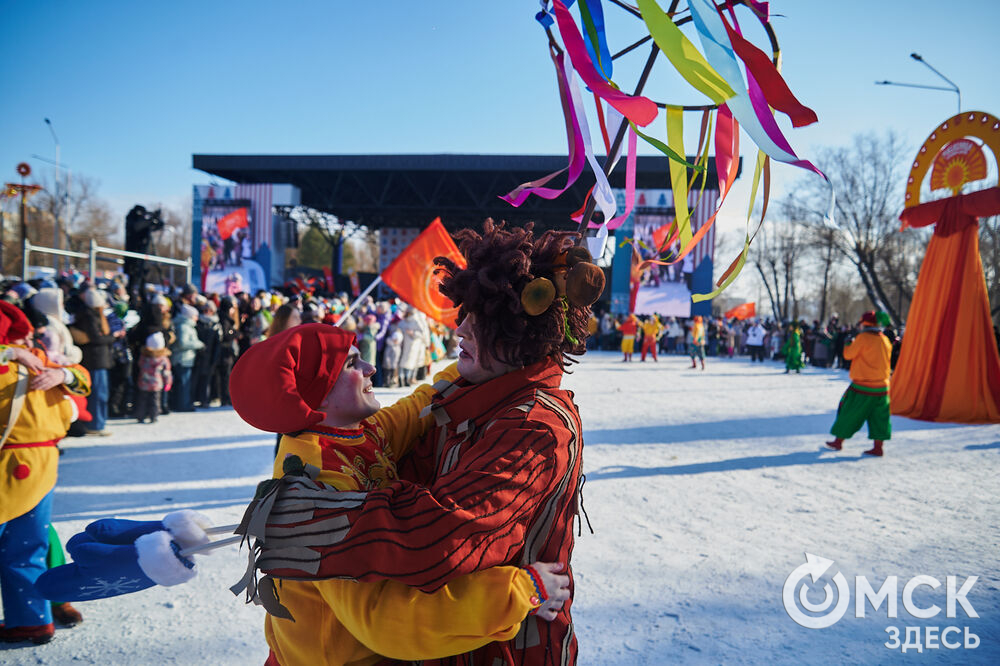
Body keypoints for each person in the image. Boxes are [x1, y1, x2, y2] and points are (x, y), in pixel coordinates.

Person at [246, 220, 600, 665]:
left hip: (503, 649)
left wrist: (317, 523)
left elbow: (442, 532)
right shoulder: (322, 460)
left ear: (522, 336)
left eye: (483, 320)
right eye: (465, 312)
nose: (461, 329)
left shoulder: (534, 426)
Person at [229, 323, 571, 665]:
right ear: (315, 395)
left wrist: (477, 362)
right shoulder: (319, 479)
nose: (370, 369)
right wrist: (519, 591)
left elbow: (419, 405)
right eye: (352, 364)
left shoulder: (354, 432)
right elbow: (380, 618)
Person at [0, 301, 91, 644]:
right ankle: (31, 620)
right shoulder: (23, 357)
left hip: (25, 464)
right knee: (27, 546)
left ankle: (33, 620)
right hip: (38, 467)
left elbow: (82, 378)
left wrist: (62, 373)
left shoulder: (32, 358)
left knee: (29, 545)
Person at [826, 311, 893, 457]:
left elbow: (848, 355)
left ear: (865, 324)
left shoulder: (863, 338)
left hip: (863, 385)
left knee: (849, 413)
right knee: (879, 418)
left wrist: (849, 343)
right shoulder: (885, 339)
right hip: (882, 386)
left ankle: (838, 441)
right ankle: (878, 447)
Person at [135, 333, 172, 424]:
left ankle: (140, 415)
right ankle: (153, 416)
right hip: (156, 384)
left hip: (144, 382)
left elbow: (139, 366)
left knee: (142, 400)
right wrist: (168, 383)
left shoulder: (143, 357)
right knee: (155, 401)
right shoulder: (163, 359)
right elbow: (166, 373)